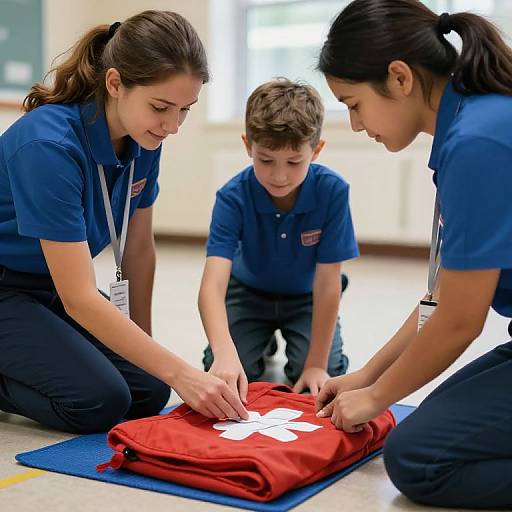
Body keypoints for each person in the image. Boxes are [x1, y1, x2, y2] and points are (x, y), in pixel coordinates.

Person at [0, 10, 248, 435]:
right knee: (100, 400)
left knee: (148, 390)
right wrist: (181, 373)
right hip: (9, 288)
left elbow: (137, 249)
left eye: (185, 109)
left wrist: (149, 355)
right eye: (161, 107)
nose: (173, 125)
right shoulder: (48, 145)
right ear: (115, 84)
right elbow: (78, 296)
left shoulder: (145, 135)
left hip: (48, 288)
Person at [314, 0, 512, 508]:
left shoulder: (477, 142)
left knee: (417, 458)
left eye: (353, 103)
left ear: (400, 78)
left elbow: (460, 321)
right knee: (425, 422)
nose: (356, 125)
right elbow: (443, 296)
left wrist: (378, 397)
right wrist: (367, 377)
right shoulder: (474, 118)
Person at [198, 78, 358, 402]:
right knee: (223, 370)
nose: (279, 175)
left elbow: (328, 284)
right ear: (248, 146)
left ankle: (291, 346)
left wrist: (315, 364)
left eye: (294, 162)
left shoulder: (333, 191)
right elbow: (212, 285)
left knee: (320, 374)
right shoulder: (232, 197)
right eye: (266, 160)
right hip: (247, 294)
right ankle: (261, 338)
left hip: (307, 298)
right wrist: (225, 351)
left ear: (317, 150)